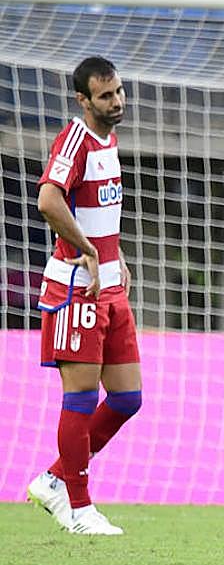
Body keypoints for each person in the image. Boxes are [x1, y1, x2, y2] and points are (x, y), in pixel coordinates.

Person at [26, 57, 140, 537]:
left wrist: (115, 256)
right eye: (106, 95)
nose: (116, 102)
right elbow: (49, 198)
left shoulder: (109, 141)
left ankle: (55, 477)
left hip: (109, 285)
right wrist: (89, 250)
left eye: (118, 92)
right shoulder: (74, 139)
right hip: (76, 290)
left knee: (128, 397)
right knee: (79, 398)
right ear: (83, 100)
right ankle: (77, 505)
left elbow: (98, 210)